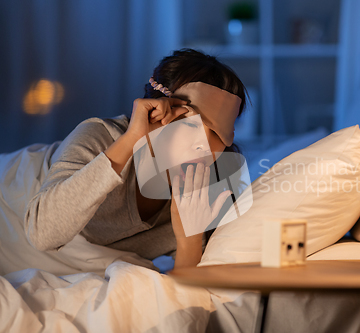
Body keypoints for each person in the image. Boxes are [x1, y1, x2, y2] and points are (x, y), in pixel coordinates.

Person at [16, 48, 248, 272]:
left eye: (217, 134)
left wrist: (190, 237)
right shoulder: (100, 137)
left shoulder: (209, 192)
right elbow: (41, 234)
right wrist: (131, 139)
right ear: (155, 113)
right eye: (190, 124)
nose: (204, 145)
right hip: (12, 211)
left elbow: (187, 295)